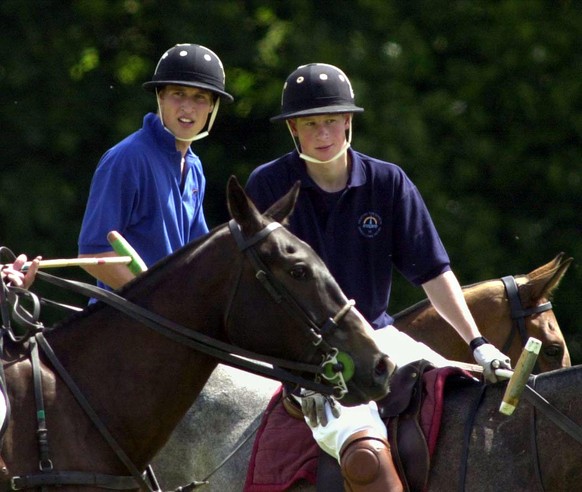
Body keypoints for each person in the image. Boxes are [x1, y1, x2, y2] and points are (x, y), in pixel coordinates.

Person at [245, 63, 512, 491]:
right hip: (309, 351)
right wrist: (298, 373)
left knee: (466, 398)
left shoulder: (387, 182)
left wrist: (477, 343)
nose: (323, 134)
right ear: (293, 128)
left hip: (377, 335)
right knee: (366, 454)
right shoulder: (268, 184)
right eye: (311, 124)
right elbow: (256, 295)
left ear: (347, 121)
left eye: (331, 121)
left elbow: (433, 271)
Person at [78, 43, 233, 292]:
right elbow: (93, 254)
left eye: (200, 97)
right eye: (178, 93)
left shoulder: (194, 167)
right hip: (122, 321)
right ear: (160, 96)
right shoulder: (127, 157)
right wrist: (158, 304)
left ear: (212, 106)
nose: (188, 107)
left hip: (171, 322)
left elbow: (198, 257)